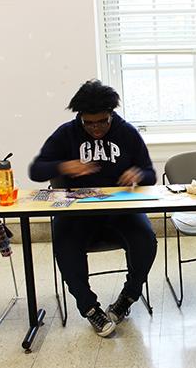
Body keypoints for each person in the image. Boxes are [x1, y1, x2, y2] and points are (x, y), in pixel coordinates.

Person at [29, 79, 157, 337]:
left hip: (121, 210)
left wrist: (138, 174)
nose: (96, 128)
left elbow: (151, 174)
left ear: (111, 114)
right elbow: (36, 170)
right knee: (65, 244)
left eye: (102, 121)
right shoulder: (66, 133)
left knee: (146, 239)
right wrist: (64, 167)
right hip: (78, 213)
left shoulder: (127, 132)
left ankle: (128, 297)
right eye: (89, 123)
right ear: (80, 117)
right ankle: (89, 308)